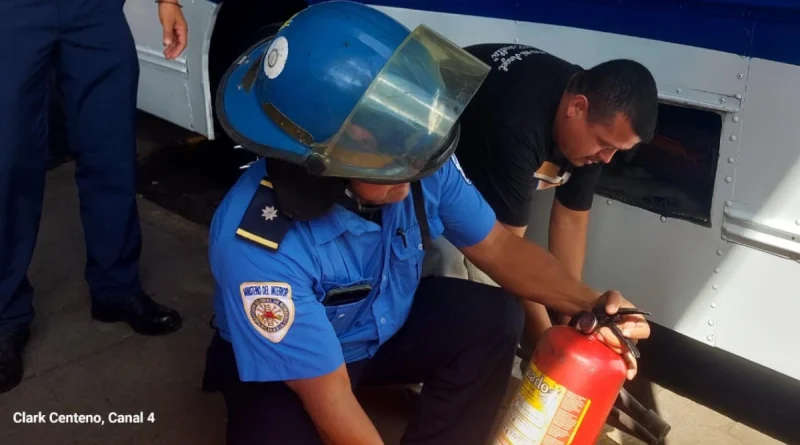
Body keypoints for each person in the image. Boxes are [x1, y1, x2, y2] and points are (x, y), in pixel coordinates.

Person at [201, 2, 650, 444]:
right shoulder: (257, 248)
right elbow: (331, 399)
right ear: (324, 159)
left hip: (379, 331)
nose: (415, 168)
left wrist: (594, 306)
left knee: (493, 316)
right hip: (296, 371)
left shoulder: (418, 159)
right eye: (391, 159)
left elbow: (498, 247)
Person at [0, 0, 189, 394]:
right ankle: (5, 316)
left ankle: (116, 289)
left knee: (111, 147)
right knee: (10, 159)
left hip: (94, 11)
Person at [421, 43, 659, 351]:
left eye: (617, 150)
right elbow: (506, 254)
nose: (608, 158)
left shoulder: (594, 126)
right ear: (577, 108)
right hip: (427, 147)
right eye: (605, 146)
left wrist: (571, 316)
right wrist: (547, 342)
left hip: (484, 154)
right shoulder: (519, 121)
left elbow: (571, 219)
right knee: (455, 266)